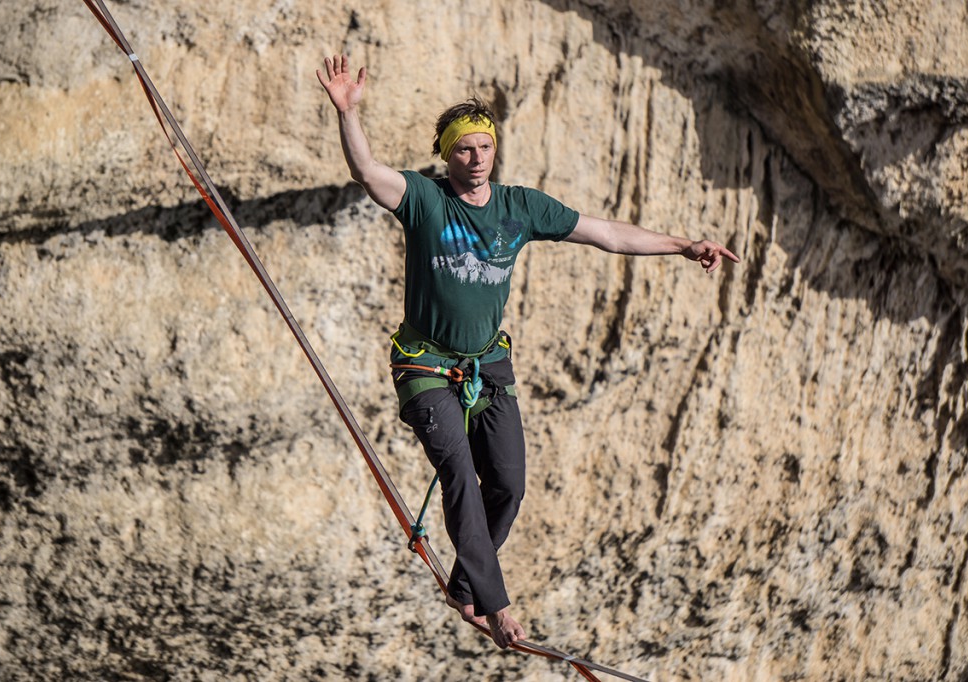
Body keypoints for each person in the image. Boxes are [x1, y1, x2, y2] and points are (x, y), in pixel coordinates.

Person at [317, 54, 739, 650]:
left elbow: (610, 235)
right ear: (447, 155)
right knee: (460, 474)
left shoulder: (520, 207)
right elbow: (367, 171)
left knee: (508, 484)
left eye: (485, 146)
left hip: (489, 363)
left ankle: (465, 587)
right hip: (424, 365)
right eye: (464, 148)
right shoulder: (424, 200)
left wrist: (682, 245)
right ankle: (496, 608)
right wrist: (348, 114)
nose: (477, 156)